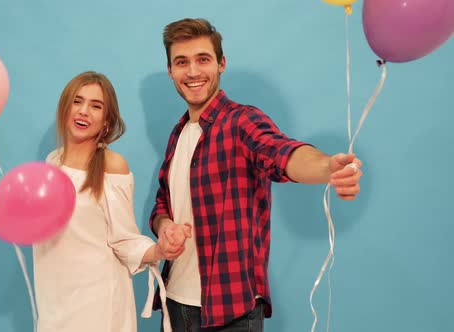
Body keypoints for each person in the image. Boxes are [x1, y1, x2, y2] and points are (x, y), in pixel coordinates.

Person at [147, 18, 364, 331]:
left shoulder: (242, 121)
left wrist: (327, 167)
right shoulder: (178, 133)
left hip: (230, 312)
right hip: (175, 303)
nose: (193, 72)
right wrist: (164, 225)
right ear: (171, 71)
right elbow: (161, 203)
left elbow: (283, 153)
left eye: (203, 59)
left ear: (221, 64)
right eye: (182, 62)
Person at [33, 71, 176, 332]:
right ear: (65, 107)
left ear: (106, 121)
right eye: (77, 101)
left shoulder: (112, 166)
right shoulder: (52, 161)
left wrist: (160, 250)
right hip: (54, 300)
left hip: (97, 305)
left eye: (95, 106)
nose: (84, 111)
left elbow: (124, 239)